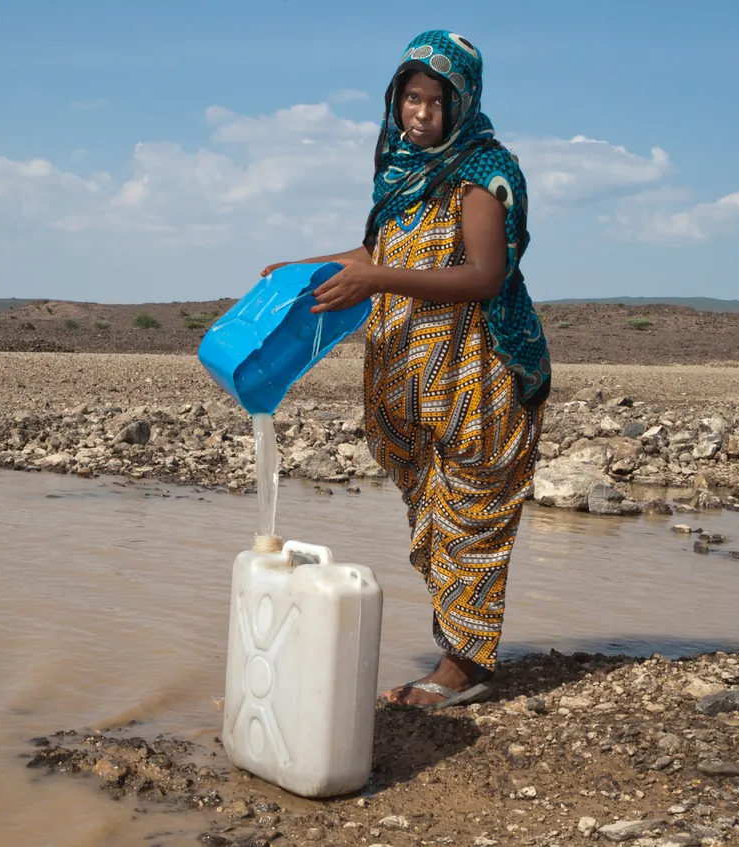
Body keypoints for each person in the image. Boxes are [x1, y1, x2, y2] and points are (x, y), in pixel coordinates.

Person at [261, 30, 551, 710]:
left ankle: (465, 666)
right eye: (409, 98)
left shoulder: (482, 169)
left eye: (434, 101)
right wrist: (306, 269)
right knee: (437, 510)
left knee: (474, 514)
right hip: (419, 374)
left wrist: (373, 281)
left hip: (479, 374)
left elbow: (483, 275)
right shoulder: (400, 169)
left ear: (462, 100)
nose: (419, 114)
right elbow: (375, 249)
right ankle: (458, 649)